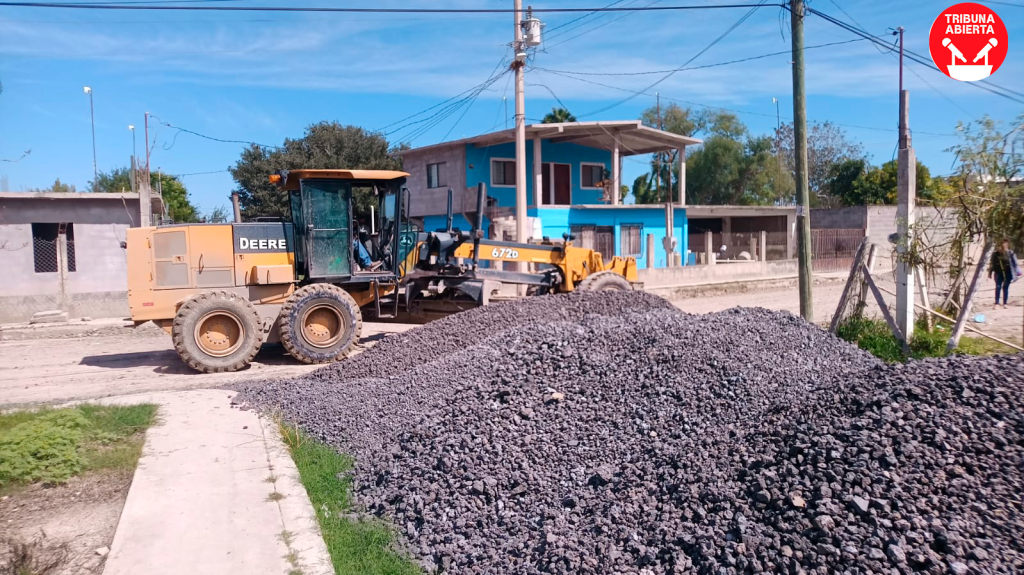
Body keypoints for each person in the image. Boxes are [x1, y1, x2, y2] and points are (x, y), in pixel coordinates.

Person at [988, 238, 1018, 309]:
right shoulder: (995, 254)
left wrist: (1016, 272)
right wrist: (990, 273)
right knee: (998, 287)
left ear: (1007, 245)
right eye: (1000, 245)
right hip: (998, 273)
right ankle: (997, 303)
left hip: (1008, 273)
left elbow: (1015, 263)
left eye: (1004, 244)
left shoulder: (1010, 253)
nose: (1002, 246)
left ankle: (1005, 303)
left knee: (1005, 287)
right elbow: (992, 264)